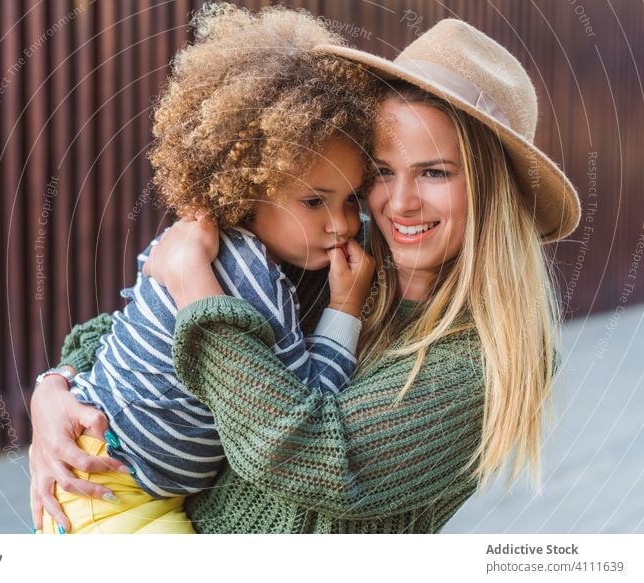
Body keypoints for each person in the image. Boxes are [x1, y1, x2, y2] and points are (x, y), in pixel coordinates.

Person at [30, 16, 581, 534]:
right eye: (383, 172)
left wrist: (195, 284)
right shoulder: (347, 258)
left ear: (493, 190)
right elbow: (142, 326)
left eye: (434, 172)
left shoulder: (489, 353)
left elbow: (305, 454)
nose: (401, 203)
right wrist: (57, 395)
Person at [31, 4, 379, 534]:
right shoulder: (252, 280)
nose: (342, 224)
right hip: (110, 488)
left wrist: (55, 383)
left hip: (117, 472)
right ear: (246, 189)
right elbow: (312, 400)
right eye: (314, 202)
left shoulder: (193, 241)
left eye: (352, 198)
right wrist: (345, 307)